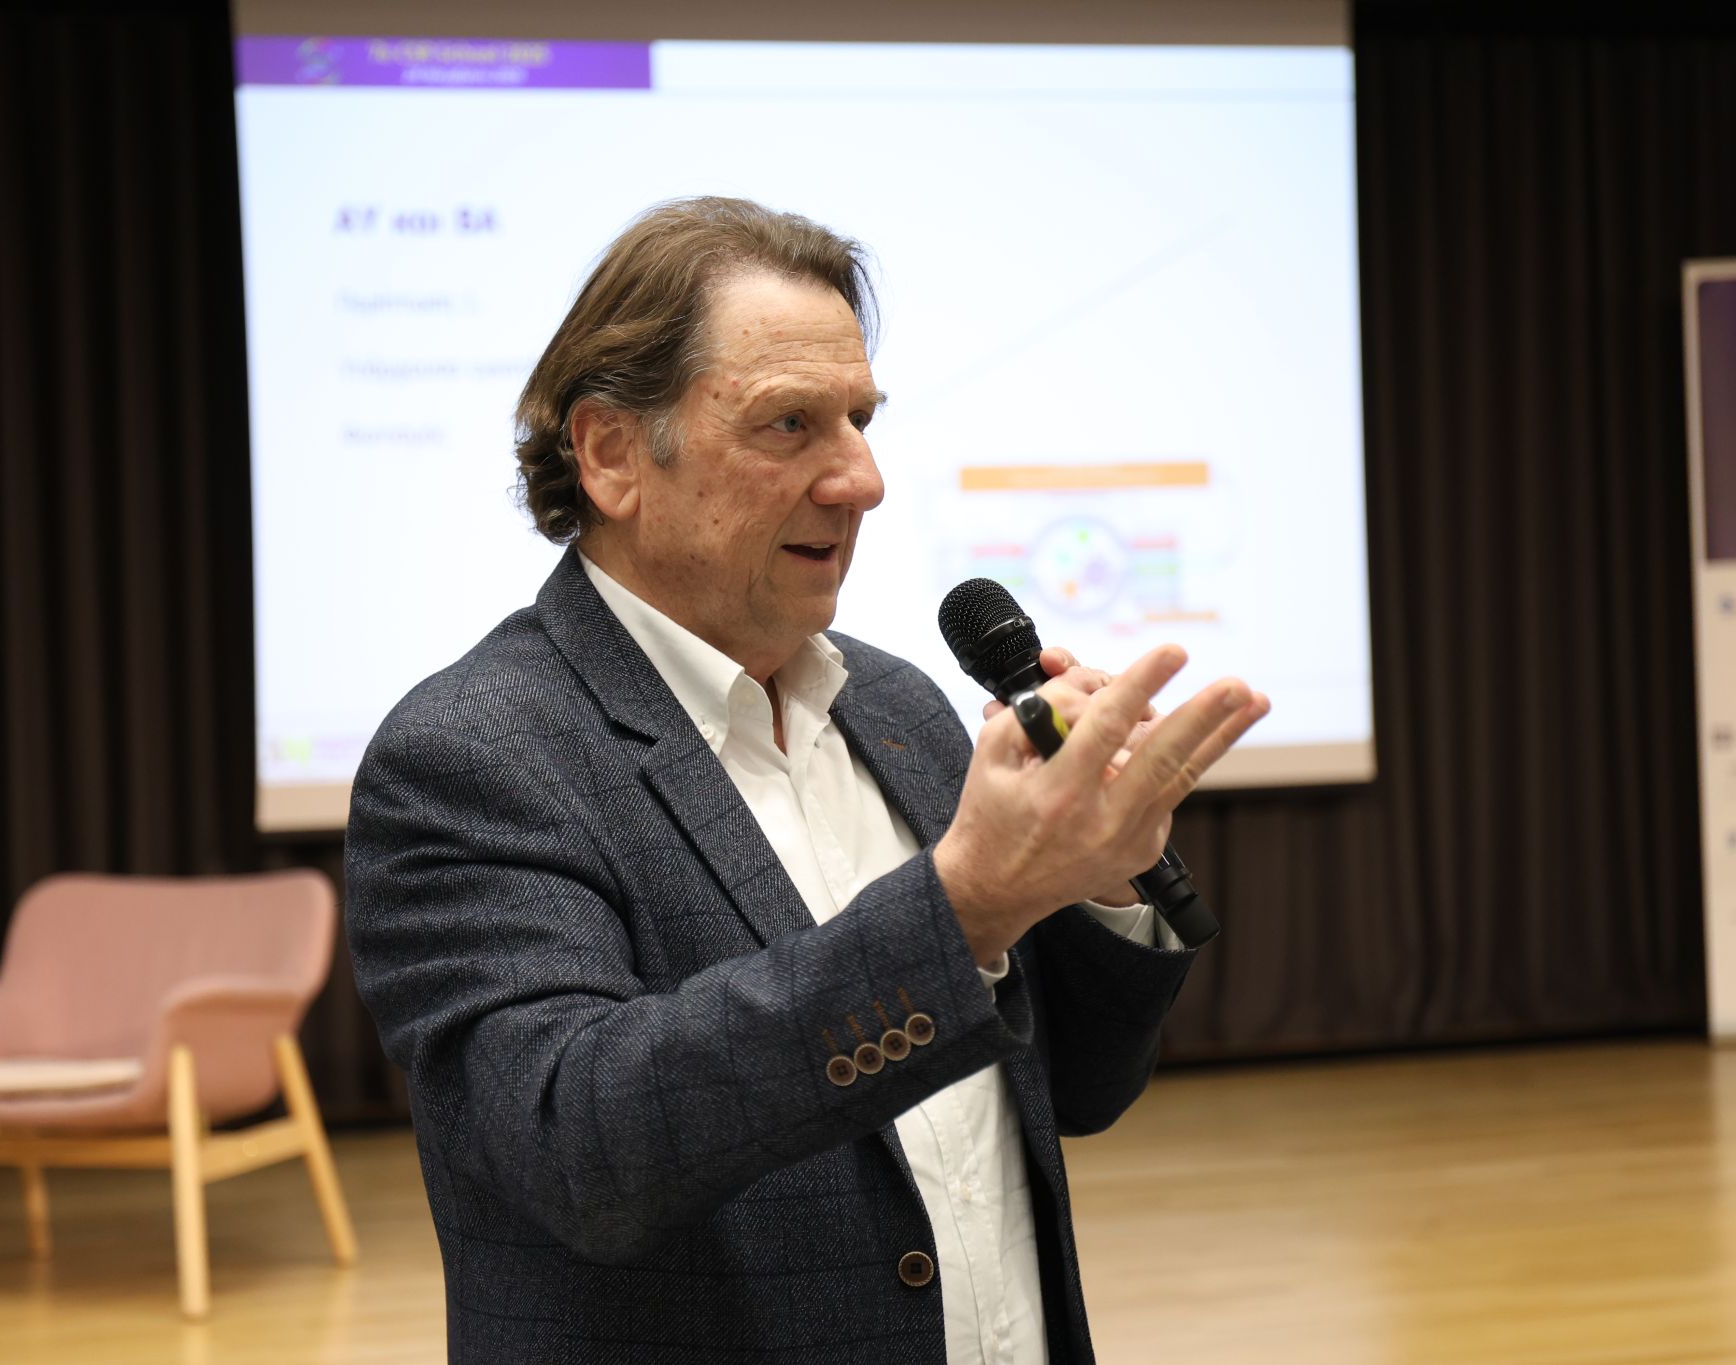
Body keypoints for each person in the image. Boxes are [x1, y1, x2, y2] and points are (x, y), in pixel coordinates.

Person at [345, 196, 1269, 1363]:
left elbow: (1074, 1092)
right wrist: (962, 912)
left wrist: (1098, 882)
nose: (860, 480)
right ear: (611, 454)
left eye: (859, 421)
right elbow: (580, 1151)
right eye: (788, 424)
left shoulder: (896, 709)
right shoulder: (472, 755)